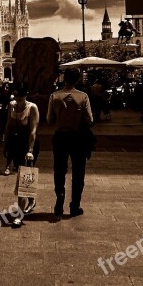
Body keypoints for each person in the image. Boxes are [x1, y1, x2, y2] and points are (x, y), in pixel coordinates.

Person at [47, 68, 93, 220]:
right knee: (78, 173)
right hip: (78, 138)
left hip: (60, 137)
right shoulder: (83, 96)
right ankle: (74, 206)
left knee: (59, 171)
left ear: (64, 79)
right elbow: (90, 120)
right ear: (77, 80)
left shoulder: (54, 96)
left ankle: (59, 202)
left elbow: (49, 119)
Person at [3, 81, 40, 227]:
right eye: (16, 95)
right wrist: (5, 145)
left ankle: (19, 214)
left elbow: (33, 131)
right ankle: (31, 200)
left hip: (29, 145)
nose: (18, 98)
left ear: (26, 95)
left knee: (23, 178)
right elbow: (8, 125)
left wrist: (30, 150)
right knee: (23, 174)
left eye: (21, 96)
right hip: (15, 144)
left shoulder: (32, 108)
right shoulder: (11, 105)